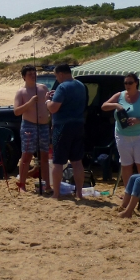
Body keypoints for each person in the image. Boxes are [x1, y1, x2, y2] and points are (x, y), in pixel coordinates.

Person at [101, 73, 140, 190]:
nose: (128, 85)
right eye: (125, 83)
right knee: (126, 164)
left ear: (136, 83)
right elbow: (104, 106)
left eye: (130, 83)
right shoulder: (120, 95)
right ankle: (128, 191)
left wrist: (138, 120)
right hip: (122, 135)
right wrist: (116, 105)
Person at [45, 64, 87, 199]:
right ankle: (79, 193)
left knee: (58, 161)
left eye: (56, 76)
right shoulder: (80, 85)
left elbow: (53, 108)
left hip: (63, 126)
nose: (56, 79)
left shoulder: (62, 87)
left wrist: (47, 100)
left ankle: (56, 193)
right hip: (78, 124)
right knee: (77, 161)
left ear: (61, 74)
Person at [13, 65, 51, 193]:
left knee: (44, 155)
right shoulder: (21, 92)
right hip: (29, 125)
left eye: (34, 73)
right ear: (24, 77)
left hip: (44, 126)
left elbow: (49, 105)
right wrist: (30, 103)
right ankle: (22, 184)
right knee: (26, 155)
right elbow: (17, 111)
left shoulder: (43, 88)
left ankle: (46, 185)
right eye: (29, 74)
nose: (33, 76)